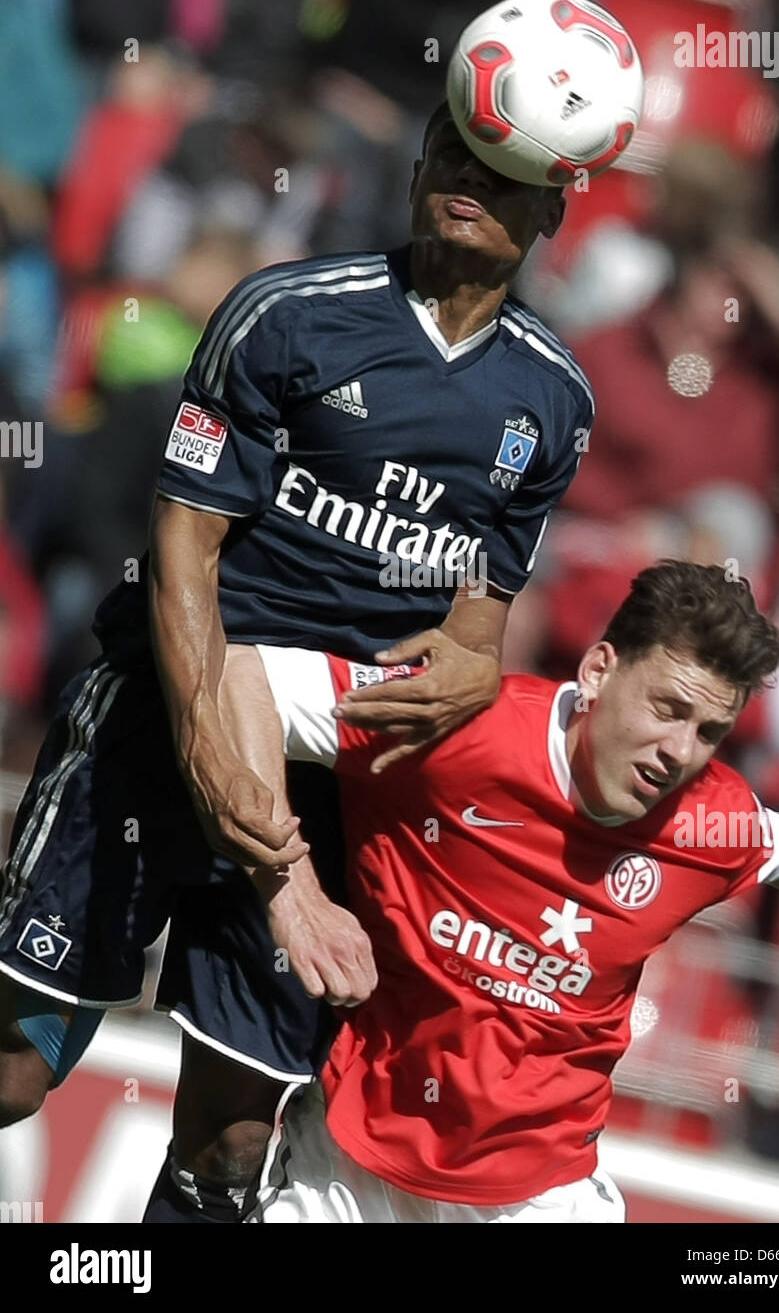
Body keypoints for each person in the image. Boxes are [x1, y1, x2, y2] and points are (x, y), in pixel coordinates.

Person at [0, 102, 594, 1226]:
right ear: (420, 156)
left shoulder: (552, 400)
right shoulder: (283, 315)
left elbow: (479, 618)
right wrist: (211, 753)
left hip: (328, 780)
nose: (468, 178)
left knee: (229, 1143)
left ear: (554, 207)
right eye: (456, 151)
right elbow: (183, 542)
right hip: (159, 728)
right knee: (15, 1075)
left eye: (506, 170)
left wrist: (473, 664)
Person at [215, 561, 779, 1223]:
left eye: (709, 733)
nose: (679, 751)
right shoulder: (459, 728)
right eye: (668, 708)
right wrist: (293, 894)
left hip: (541, 1197)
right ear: (598, 670)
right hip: (353, 1167)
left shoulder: (705, 818)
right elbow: (242, 678)